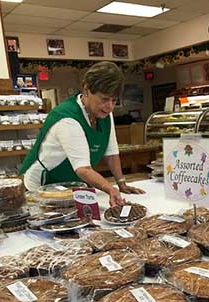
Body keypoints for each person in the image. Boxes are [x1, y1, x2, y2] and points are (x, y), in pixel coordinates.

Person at [20, 61, 145, 206]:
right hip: (43, 185)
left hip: (72, 186)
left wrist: (121, 183)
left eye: (114, 100)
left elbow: (111, 153)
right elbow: (83, 169)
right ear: (86, 90)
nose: (110, 106)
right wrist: (109, 189)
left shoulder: (104, 114)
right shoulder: (68, 118)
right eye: (104, 99)